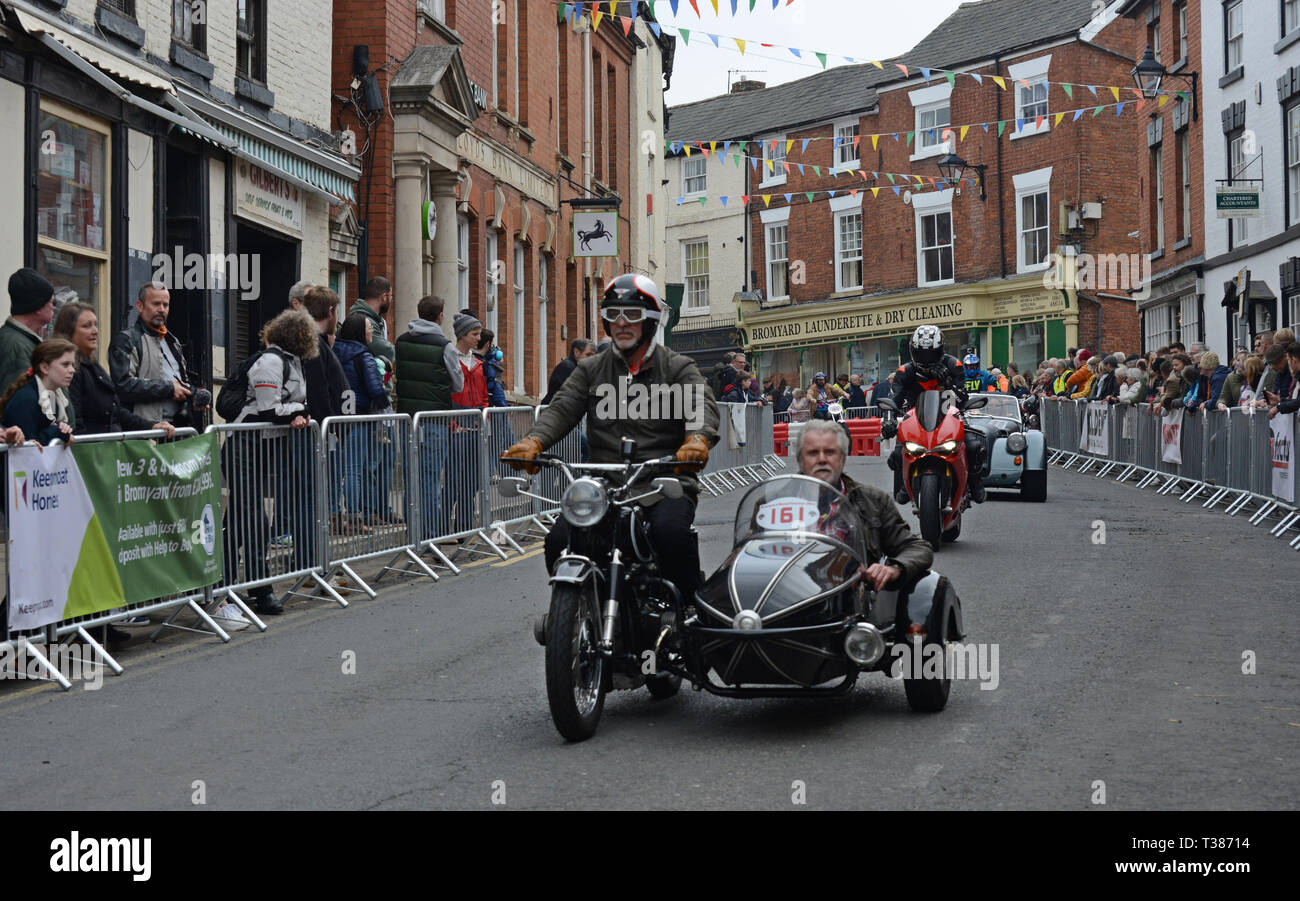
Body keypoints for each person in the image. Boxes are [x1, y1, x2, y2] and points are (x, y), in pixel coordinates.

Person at [503, 274, 719, 604]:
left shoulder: (676, 367)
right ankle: (581, 610)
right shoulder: (591, 368)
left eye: (631, 314)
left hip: (662, 483)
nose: (621, 323)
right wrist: (534, 441)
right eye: (613, 314)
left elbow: (699, 404)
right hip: (605, 485)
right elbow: (562, 407)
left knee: (670, 535)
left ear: (649, 320)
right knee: (559, 539)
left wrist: (697, 441)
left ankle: (687, 613)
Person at [223, 309, 317, 616]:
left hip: (263, 447)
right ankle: (261, 591)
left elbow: (291, 406)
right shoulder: (271, 362)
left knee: (237, 522)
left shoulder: (292, 362)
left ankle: (218, 584)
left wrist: (299, 412)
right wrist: (298, 412)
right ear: (299, 336)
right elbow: (267, 410)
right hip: (244, 446)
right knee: (255, 520)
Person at [795, 419, 933, 595]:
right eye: (813, 453)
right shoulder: (772, 503)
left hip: (851, 602)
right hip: (786, 601)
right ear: (800, 460)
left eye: (830, 452)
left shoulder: (873, 501)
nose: (822, 459)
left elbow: (916, 547)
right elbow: (751, 554)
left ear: (843, 459)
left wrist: (894, 569)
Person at [885, 325, 986, 504]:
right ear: (913, 351)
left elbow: (963, 398)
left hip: (949, 416)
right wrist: (889, 421)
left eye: (931, 354)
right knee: (897, 453)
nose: (926, 359)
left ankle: (975, 483)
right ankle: (904, 483)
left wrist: (947, 380)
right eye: (921, 354)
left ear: (940, 350)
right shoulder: (904, 372)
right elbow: (894, 400)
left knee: (973, 446)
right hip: (915, 420)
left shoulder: (954, 365)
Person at [53, 302, 175, 438]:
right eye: (86, 326)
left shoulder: (93, 365)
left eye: (95, 325)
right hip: (93, 453)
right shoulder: (71, 372)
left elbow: (114, 411)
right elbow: (75, 421)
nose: (95, 331)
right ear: (69, 332)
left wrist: (151, 426)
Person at [395, 296, 460, 539]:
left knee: (411, 477)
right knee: (431, 477)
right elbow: (458, 383)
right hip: (434, 419)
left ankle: (412, 535)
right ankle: (429, 535)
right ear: (440, 316)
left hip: (409, 419)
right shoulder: (445, 346)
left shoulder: (401, 342)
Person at [108, 282, 206, 427]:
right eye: (156, 304)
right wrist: (169, 389)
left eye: (165, 305)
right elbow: (123, 385)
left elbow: (180, 383)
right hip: (145, 432)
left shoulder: (173, 341)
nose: (161, 309)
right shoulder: (126, 340)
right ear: (140, 306)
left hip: (177, 429)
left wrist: (192, 396)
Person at [333, 313, 390, 532]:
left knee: (336, 470)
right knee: (354, 470)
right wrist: (385, 406)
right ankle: (356, 518)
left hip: (336, 417)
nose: (371, 332)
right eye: (368, 328)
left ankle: (335, 515)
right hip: (359, 417)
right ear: (359, 331)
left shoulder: (334, 350)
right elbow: (375, 388)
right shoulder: (363, 355)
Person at [444, 313, 491, 536]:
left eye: (479, 334)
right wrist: (453, 423)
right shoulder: (451, 359)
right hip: (457, 429)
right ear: (462, 334)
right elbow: (448, 396)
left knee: (471, 483)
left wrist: (485, 419)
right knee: (453, 482)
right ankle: (444, 530)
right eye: (475, 334)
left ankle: (465, 529)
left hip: (474, 428)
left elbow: (483, 396)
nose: (478, 338)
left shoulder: (479, 364)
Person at [0, 338, 78, 444]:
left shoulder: (53, 396)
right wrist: (57, 431)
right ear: (44, 367)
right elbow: (28, 446)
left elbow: (48, 429)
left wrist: (61, 427)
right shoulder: (26, 399)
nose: (72, 370)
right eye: (65, 364)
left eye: (73, 365)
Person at [0, 268, 54, 391]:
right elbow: (15, 400)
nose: (53, 307)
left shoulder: (22, 341)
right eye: (51, 302)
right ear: (37, 306)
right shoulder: (14, 346)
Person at [542, 338, 595, 405]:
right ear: (576, 352)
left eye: (593, 356)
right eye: (588, 355)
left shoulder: (575, 367)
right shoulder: (567, 367)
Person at [476, 329, 509, 407]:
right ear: (488, 344)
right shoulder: (489, 366)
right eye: (492, 343)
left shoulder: (472, 358)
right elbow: (498, 392)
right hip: (485, 406)